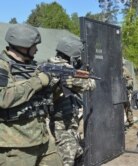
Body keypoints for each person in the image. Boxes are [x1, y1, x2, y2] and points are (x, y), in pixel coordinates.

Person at [0, 24, 62, 165]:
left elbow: (46, 99)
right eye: (34, 45)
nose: (37, 49)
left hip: (43, 139)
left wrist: (58, 86)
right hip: (16, 146)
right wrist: (38, 81)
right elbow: (2, 97)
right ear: (23, 46)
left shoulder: (35, 66)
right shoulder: (2, 66)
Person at [48, 36, 96, 166]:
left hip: (58, 120)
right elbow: (91, 84)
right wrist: (82, 70)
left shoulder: (47, 64)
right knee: (67, 157)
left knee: (78, 151)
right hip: (61, 123)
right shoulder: (65, 70)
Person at [122, 60, 134, 127]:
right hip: (116, 92)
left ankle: (130, 121)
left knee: (127, 107)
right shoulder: (112, 69)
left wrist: (127, 84)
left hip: (125, 91)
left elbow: (130, 79)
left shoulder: (125, 70)